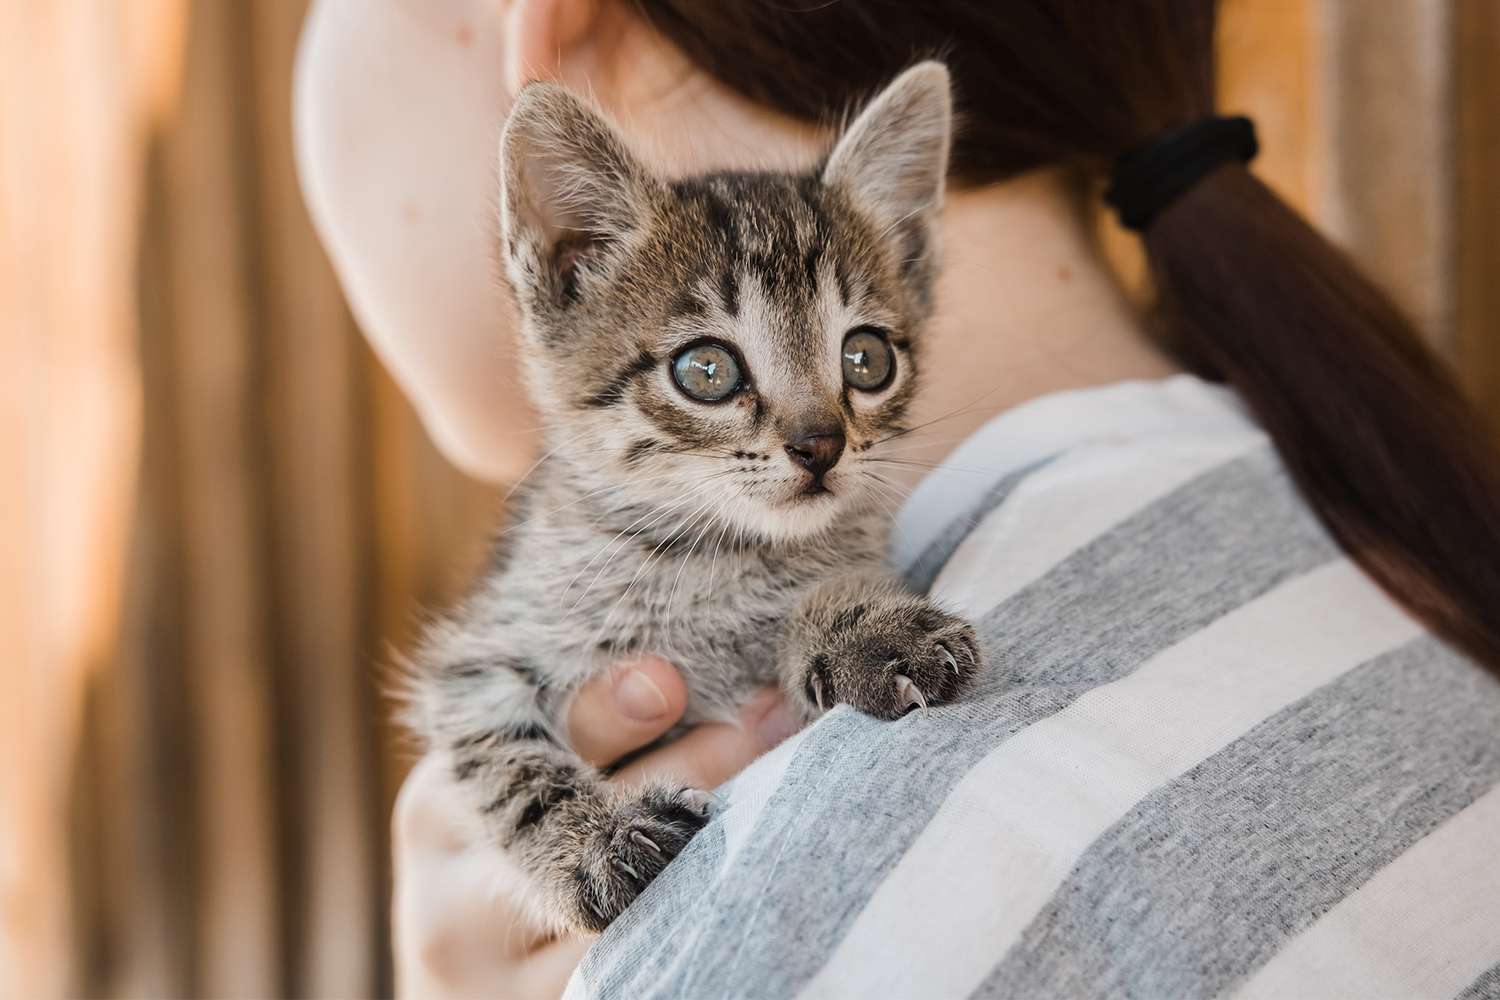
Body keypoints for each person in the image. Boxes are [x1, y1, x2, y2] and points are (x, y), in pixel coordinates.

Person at [294, 2, 1500, 998]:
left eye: (859, 361)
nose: (815, 435)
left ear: (549, 23)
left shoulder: (798, 931)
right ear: (568, 260)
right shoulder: (1370, 501)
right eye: (712, 371)